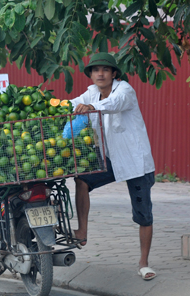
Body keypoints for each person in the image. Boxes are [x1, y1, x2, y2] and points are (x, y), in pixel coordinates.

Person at [69, 52, 157, 280]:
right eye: (95, 70)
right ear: (90, 74)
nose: (100, 73)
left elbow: (113, 104)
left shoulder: (124, 90)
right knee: (82, 180)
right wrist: (56, 106)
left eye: (105, 70)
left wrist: (89, 107)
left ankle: (143, 263)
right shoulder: (91, 93)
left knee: (143, 214)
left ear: (113, 74)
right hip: (110, 160)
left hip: (135, 161)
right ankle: (82, 232)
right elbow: (73, 104)